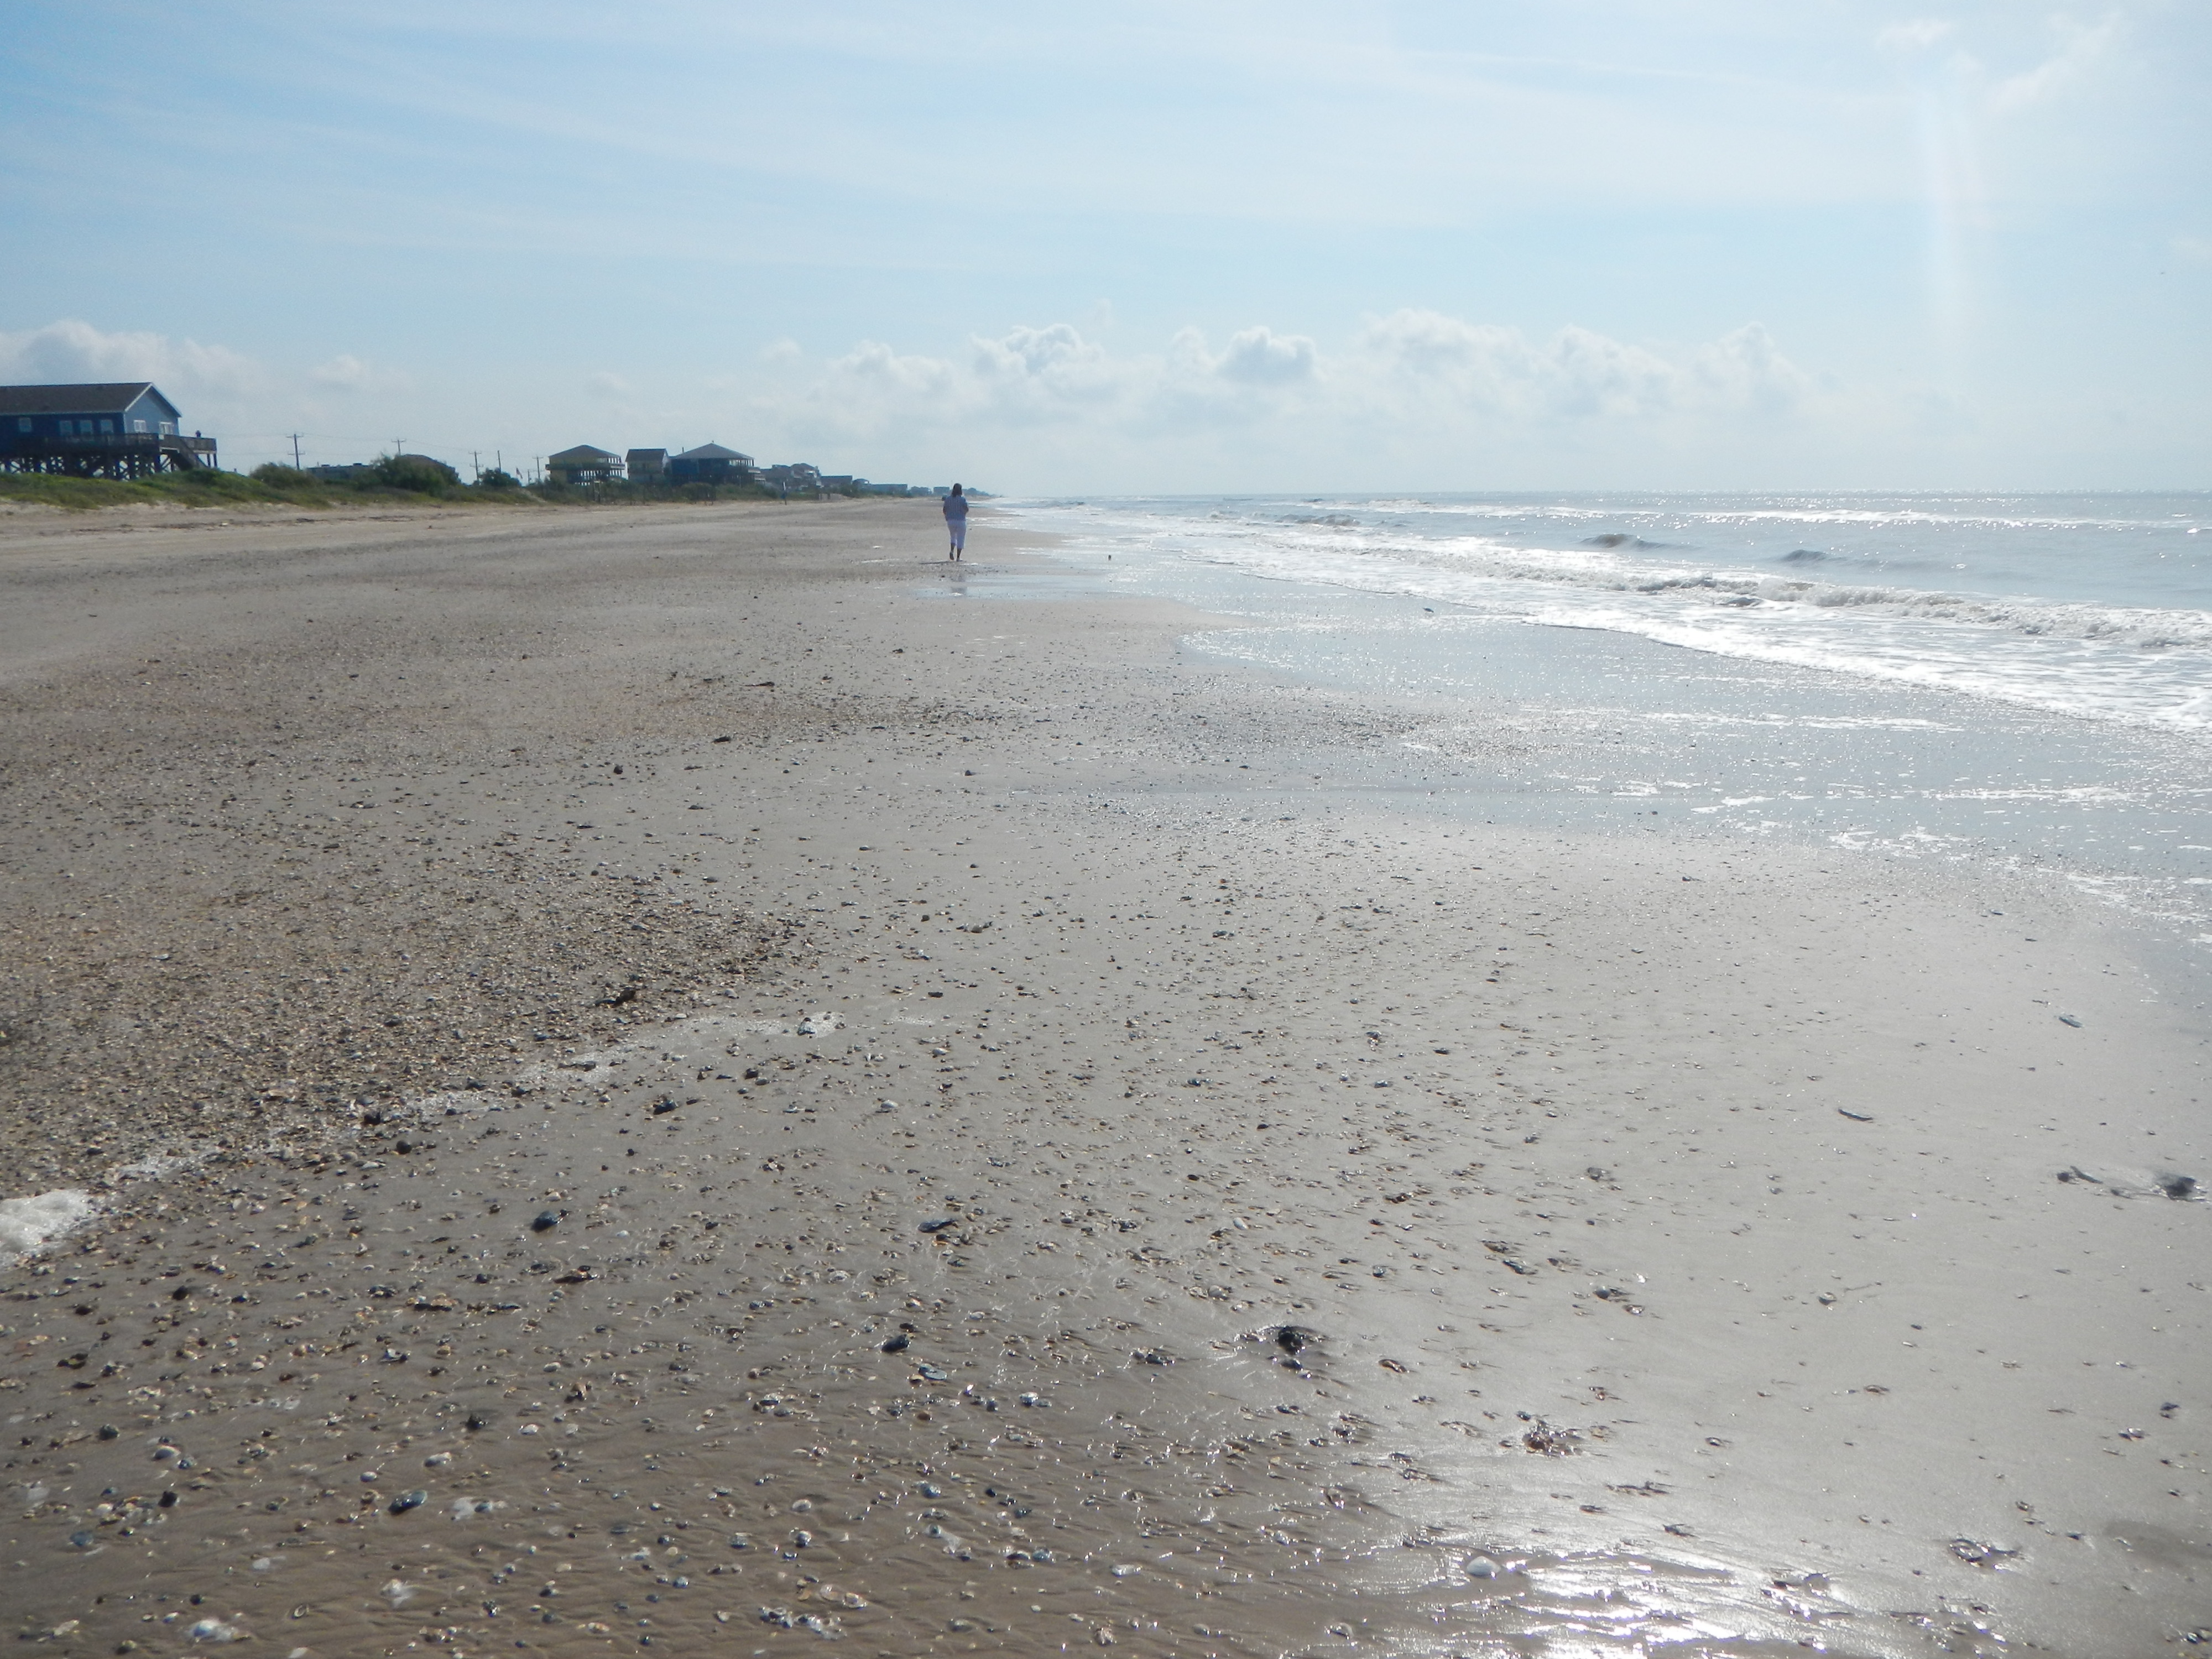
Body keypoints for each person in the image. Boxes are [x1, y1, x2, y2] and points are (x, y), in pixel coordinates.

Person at [942, 483, 969, 561]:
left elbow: (944, 510)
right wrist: (963, 512)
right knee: (961, 538)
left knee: (953, 536)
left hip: (951, 520)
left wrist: (947, 516)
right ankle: (958, 557)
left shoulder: (948, 499)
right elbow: (966, 509)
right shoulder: (962, 499)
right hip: (961, 520)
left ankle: (951, 551)